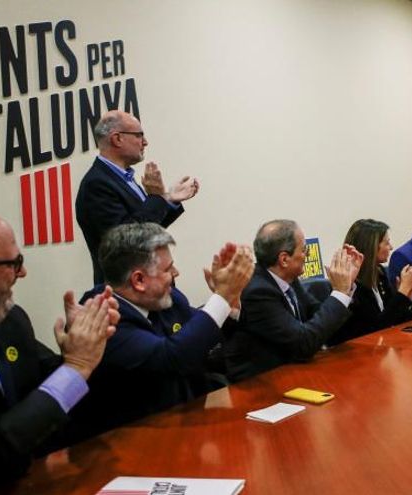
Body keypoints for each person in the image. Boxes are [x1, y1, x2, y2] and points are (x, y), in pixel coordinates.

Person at [0, 211, 118, 491]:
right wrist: (76, 366)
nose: (23, 272)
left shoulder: (10, 320)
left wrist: (90, 344)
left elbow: (49, 389)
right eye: (14, 263)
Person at [66, 223, 254, 441]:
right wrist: (221, 296)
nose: (176, 273)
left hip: (183, 427)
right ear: (139, 280)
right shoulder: (101, 317)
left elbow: (201, 340)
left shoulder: (168, 299)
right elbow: (172, 358)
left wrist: (229, 302)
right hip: (129, 444)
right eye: (167, 269)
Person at [220, 219, 362, 382]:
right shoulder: (257, 292)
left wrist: (347, 286)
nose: (307, 255)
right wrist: (339, 293)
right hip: (262, 385)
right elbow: (303, 344)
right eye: (304, 250)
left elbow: (319, 319)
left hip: (294, 372)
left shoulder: (288, 278)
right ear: (284, 259)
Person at [76, 110, 200, 284]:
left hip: (150, 288)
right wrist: (157, 198)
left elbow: (148, 227)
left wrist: (168, 199)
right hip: (127, 293)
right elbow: (126, 242)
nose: (145, 142)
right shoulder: (96, 184)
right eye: (139, 135)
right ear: (117, 139)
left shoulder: (122, 177)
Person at [326, 219, 412, 346]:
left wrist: (406, 298)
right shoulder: (351, 282)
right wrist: (402, 292)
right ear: (372, 246)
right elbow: (375, 329)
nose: (391, 247)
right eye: (387, 243)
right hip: (357, 354)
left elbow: (393, 320)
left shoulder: (380, 273)